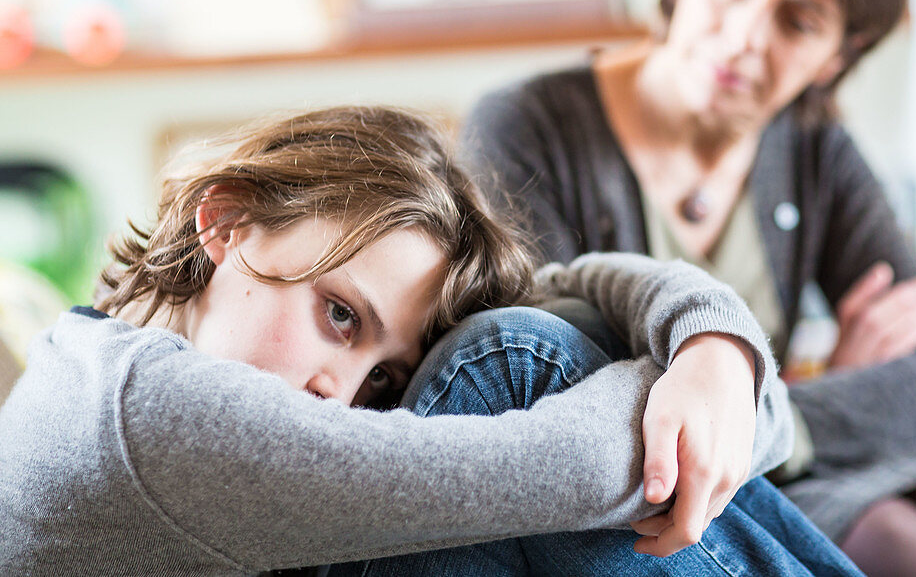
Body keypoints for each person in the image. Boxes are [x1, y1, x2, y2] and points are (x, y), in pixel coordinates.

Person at [460, 0, 916, 575]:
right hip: (631, 498)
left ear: (836, 57)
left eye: (798, 21)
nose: (746, 35)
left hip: (766, 465)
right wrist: (805, 393)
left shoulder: (814, 149)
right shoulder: (527, 124)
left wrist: (766, 418)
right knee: (902, 547)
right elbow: (552, 378)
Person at [0, 105, 860, 576]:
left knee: (534, 340)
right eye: (340, 314)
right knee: (511, 361)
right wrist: (706, 389)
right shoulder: (143, 414)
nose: (340, 389)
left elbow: (581, 295)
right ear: (226, 222)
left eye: (385, 378)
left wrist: (713, 353)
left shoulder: (89, 362)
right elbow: (580, 471)